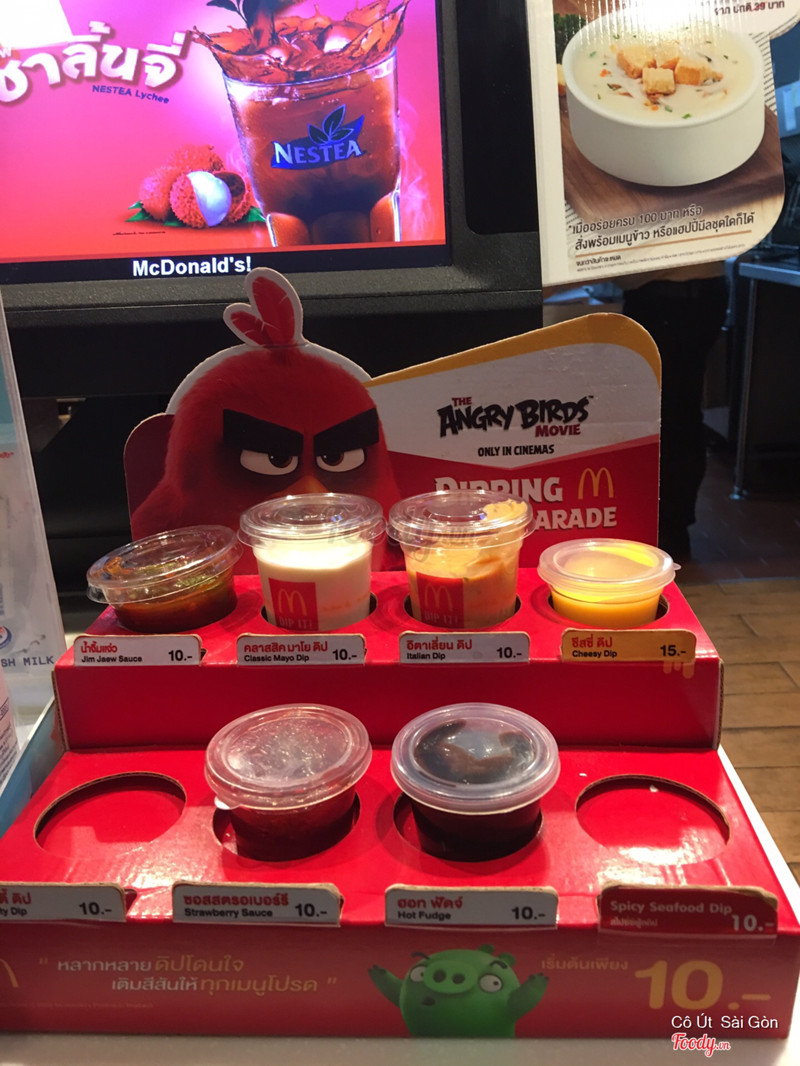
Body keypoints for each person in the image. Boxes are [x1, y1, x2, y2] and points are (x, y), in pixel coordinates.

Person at [615, 264, 730, 561]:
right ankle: (670, 527)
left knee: (667, 415)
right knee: (679, 411)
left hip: (666, 296)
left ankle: (665, 529)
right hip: (699, 291)